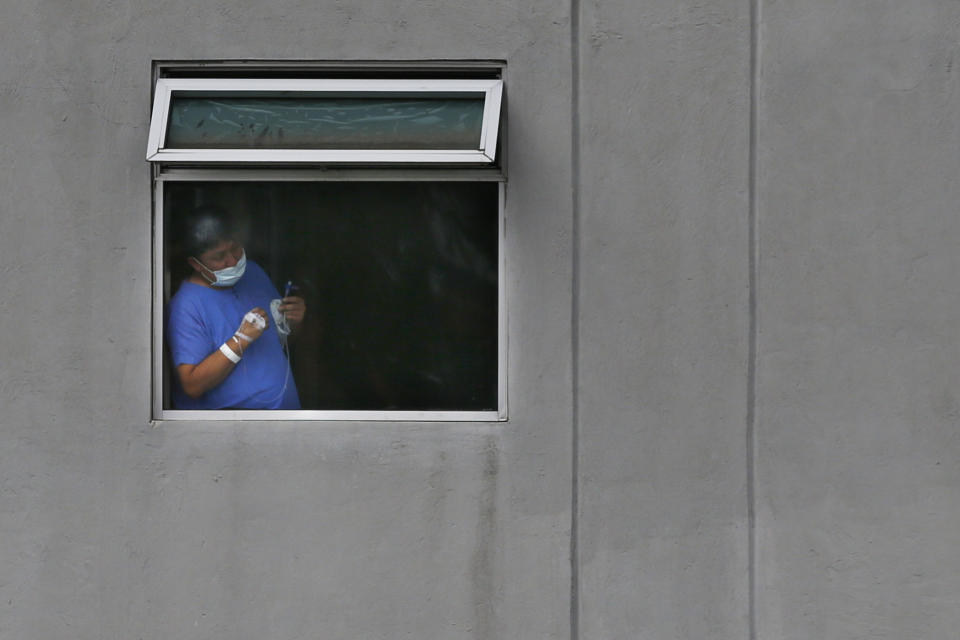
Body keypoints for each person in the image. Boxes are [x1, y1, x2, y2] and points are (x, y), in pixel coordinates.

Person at [166, 206, 305, 409]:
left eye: (234, 248)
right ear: (196, 264)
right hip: (238, 432)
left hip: (287, 421)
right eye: (219, 256)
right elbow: (192, 384)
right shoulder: (186, 306)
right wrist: (240, 340)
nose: (232, 260)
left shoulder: (253, 273)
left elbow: (281, 344)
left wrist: (293, 322)